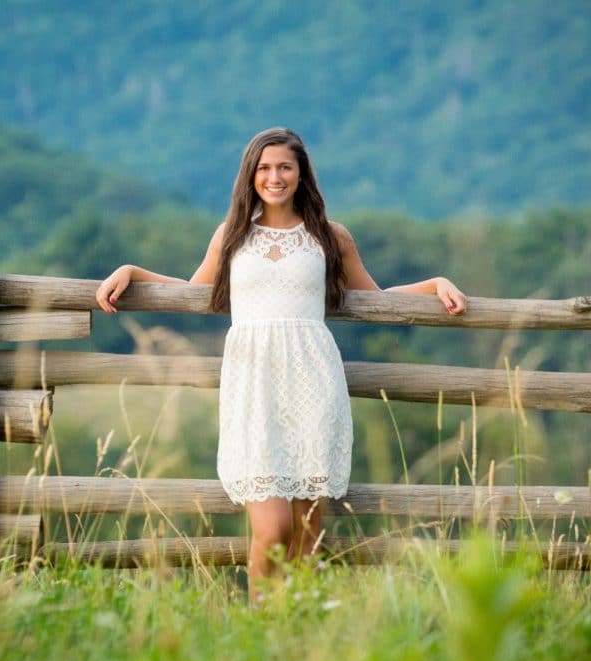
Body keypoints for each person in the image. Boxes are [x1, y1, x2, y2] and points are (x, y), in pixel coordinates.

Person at [95, 127, 466, 584]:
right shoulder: (232, 235)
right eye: (265, 168)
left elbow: (377, 298)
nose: (275, 177)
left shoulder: (329, 236)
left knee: (307, 537)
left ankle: (296, 632)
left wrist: (435, 284)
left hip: (313, 385)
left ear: (301, 173)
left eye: (285, 167)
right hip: (253, 388)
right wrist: (130, 270)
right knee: (272, 531)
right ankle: (260, 628)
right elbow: (194, 292)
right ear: (251, 175)